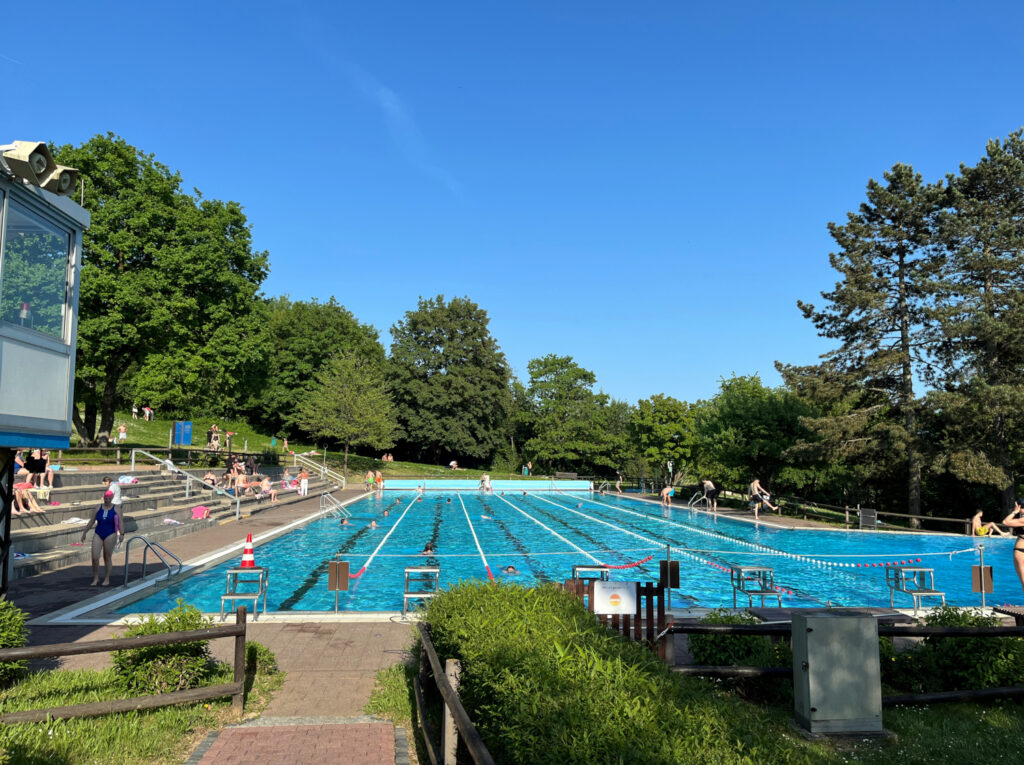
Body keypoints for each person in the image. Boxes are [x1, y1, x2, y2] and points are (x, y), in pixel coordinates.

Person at [81, 490, 123, 586]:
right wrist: (85, 532)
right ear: (103, 498)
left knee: (106, 557)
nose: (107, 500)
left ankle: (107, 578)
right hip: (98, 533)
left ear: (112, 498)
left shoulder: (116, 508)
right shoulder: (98, 507)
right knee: (95, 557)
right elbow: (91, 521)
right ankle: (96, 578)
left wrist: (122, 534)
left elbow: (120, 522)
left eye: (109, 498)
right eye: (106, 498)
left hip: (110, 533)